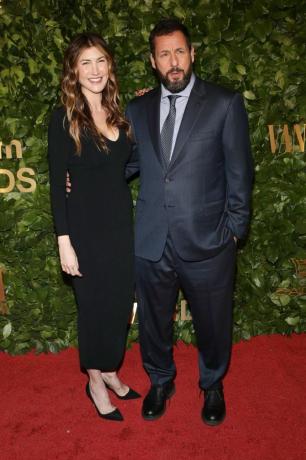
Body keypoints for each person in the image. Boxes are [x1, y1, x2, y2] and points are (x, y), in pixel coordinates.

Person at [125, 19, 253, 425]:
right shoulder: (137, 107)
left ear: (192, 53)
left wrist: (234, 229)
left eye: (180, 51)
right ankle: (160, 381)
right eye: (164, 54)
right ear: (152, 61)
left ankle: (212, 384)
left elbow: (240, 172)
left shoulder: (223, 103)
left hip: (209, 240)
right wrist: (84, 174)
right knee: (153, 321)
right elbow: (126, 165)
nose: (173, 62)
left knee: (213, 322)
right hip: (151, 239)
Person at [48, 33, 140, 422]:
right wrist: (64, 242)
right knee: (93, 309)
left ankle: (111, 369)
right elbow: (56, 182)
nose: (95, 70)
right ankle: (95, 381)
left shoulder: (121, 115)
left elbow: (129, 167)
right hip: (83, 230)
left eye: (101, 61)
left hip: (120, 225)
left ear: (109, 66)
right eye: (86, 63)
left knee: (119, 306)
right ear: (74, 70)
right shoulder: (64, 118)